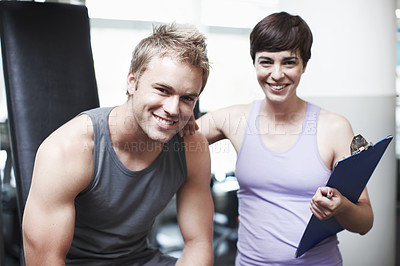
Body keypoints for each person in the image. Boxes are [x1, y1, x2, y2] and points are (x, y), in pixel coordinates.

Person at [22, 23, 214, 266]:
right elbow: (45, 261)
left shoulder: (190, 147)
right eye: (163, 90)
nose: (173, 109)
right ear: (132, 82)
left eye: (187, 98)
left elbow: (198, 244)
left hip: (140, 260)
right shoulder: (68, 148)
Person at [195, 12, 373, 265]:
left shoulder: (335, 127)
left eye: (289, 62)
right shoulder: (235, 119)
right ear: (254, 63)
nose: (276, 74)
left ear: (304, 65)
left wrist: (342, 207)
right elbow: (172, 140)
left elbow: (365, 223)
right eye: (266, 62)